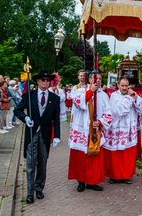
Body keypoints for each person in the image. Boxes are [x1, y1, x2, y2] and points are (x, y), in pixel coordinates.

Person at [14, 69, 60, 203]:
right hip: (32, 132)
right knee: (30, 163)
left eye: (47, 80)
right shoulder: (30, 95)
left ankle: (39, 188)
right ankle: (29, 192)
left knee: (42, 163)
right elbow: (18, 110)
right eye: (42, 80)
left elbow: (56, 119)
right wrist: (26, 118)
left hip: (45, 135)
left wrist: (56, 135)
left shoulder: (55, 98)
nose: (45, 82)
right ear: (38, 81)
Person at [68, 72, 112, 192]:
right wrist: (90, 92)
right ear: (90, 80)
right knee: (81, 158)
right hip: (82, 130)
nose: (97, 81)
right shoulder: (81, 91)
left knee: (94, 157)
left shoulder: (103, 95)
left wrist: (100, 122)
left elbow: (109, 113)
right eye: (95, 79)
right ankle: (81, 181)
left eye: (99, 79)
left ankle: (92, 182)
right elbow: (78, 103)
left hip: (95, 131)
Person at [104, 77, 142, 184]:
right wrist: (129, 98)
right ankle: (113, 176)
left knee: (127, 155)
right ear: (118, 86)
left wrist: (135, 97)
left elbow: (141, 109)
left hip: (129, 130)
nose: (124, 88)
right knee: (116, 154)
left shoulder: (132, 95)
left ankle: (126, 176)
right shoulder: (114, 96)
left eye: (126, 86)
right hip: (117, 130)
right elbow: (118, 112)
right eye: (122, 85)